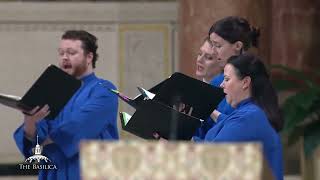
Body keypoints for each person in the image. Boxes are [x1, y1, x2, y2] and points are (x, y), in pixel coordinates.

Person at [13, 30, 119, 180]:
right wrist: (30, 119)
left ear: (89, 57)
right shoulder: (52, 90)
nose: (64, 57)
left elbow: (79, 127)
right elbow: (34, 137)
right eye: (61, 52)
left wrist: (44, 140)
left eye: (71, 52)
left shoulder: (104, 90)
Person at [204, 53, 284, 180]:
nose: (221, 85)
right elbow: (227, 121)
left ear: (245, 82)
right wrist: (209, 110)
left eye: (226, 79)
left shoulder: (247, 118)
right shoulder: (253, 112)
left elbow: (207, 159)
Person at [194, 16, 260, 140]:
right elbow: (204, 128)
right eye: (212, 45)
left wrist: (210, 111)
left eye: (218, 46)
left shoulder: (256, 81)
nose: (214, 51)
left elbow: (240, 126)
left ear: (237, 46)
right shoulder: (216, 81)